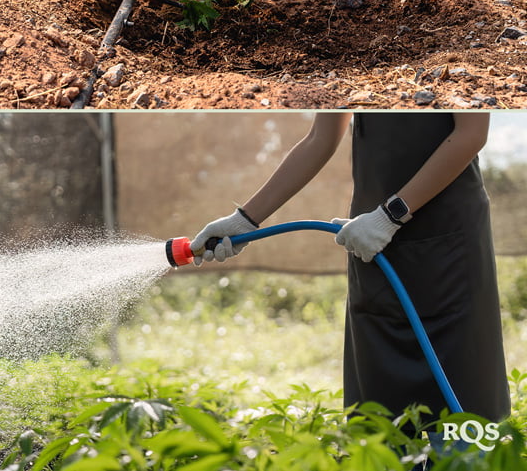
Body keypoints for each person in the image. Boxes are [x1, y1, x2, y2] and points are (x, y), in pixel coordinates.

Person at [191, 113, 510, 445]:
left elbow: (471, 135)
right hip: (371, 240)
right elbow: (320, 139)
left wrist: (392, 214)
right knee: (378, 419)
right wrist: (245, 220)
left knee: (466, 407)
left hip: (446, 242)